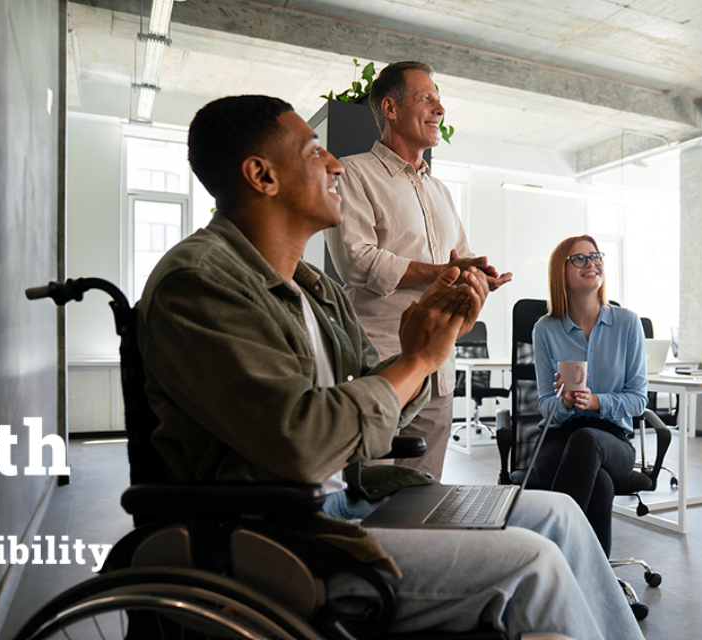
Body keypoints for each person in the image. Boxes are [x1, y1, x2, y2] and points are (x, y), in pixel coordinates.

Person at [136, 94, 642, 640]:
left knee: (558, 515)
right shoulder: (202, 281)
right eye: (313, 152)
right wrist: (418, 359)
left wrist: (419, 351)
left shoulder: (315, 289)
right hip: (284, 533)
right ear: (261, 175)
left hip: (354, 499)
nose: (334, 164)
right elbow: (303, 441)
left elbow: (373, 412)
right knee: (531, 564)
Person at [325, 61, 512, 478]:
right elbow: (356, 261)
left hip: (439, 375)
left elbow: (457, 259)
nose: (439, 109)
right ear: (390, 108)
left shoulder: (439, 189)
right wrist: (440, 272)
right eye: (426, 98)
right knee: (369, 498)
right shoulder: (352, 173)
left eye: (439, 99)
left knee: (425, 501)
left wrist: (477, 277)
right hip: (382, 366)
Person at [530, 235, 647, 556]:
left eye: (596, 256)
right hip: (558, 439)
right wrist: (563, 402)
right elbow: (542, 404)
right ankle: (596, 587)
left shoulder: (627, 323)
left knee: (587, 439)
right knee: (600, 486)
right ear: (560, 272)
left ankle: (546, 557)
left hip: (613, 441)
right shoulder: (545, 329)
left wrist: (596, 402)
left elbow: (639, 399)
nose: (591, 263)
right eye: (579, 258)